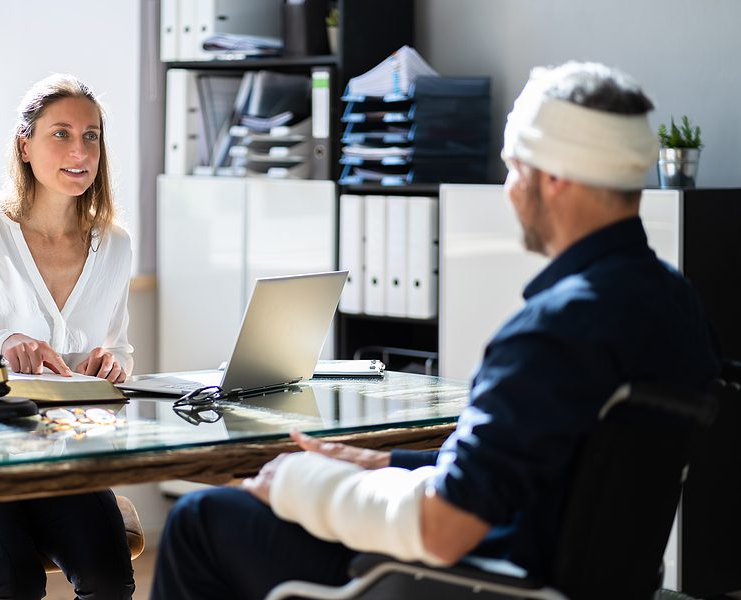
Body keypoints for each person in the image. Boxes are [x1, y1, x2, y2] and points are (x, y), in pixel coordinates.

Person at [149, 61, 722, 600]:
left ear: (552, 178)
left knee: (200, 521)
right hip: (568, 576)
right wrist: (380, 462)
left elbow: (446, 528)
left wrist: (302, 483)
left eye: (513, 167)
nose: (508, 189)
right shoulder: (677, 306)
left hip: (486, 581)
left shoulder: (552, 330)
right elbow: (524, 469)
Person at [0, 74, 135, 600]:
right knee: (15, 580)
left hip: (58, 456)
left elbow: (120, 347)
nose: (80, 149)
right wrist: (0, 344)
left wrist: (112, 363)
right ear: (25, 142)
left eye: (92, 135)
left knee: (108, 580)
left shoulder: (115, 244)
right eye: (61, 133)